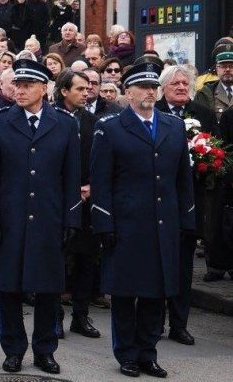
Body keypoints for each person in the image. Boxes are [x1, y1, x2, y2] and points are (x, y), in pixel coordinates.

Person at [90, 62, 195, 378]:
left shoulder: (173, 126)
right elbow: (101, 182)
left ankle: (148, 353)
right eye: (143, 87)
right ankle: (127, 354)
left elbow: (183, 180)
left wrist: (187, 220)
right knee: (125, 293)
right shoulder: (110, 128)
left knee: (156, 292)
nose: (150, 92)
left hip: (164, 224)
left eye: (153, 87)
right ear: (128, 92)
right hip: (127, 224)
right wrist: (104, 224)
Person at [0, 58, 81, 375]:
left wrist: (71, 220)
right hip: (11, 218)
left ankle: (45, 349)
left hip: (50, 218)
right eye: (17, 85)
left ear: (44, 88)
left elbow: (71, 178)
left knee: (48, 288)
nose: (19, 90)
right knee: (9, 287)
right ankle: (13, 349)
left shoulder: (65, 123)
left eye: (27, 85)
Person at [155, 65, 214, 346]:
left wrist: (206, 157)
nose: (181, 87)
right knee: (154, 265)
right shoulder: (152, 110)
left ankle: (179, 324)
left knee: (183, 266)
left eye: (184, 83)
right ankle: (153, 322)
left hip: (189, 202)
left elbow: (218, 152)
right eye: (175, 83)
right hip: (156, 201)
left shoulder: (202, 113)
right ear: (163, 87)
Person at [52, 70, 102, 340]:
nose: (87, 92)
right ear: (64, 91)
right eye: (81, 88)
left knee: (85, 259)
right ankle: (55, 317)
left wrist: (91, 186)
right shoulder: (50, 119)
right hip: (56, 202)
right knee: (58, 260)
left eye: (89, 88)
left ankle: (80, 316)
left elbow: (102, 161)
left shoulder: (95, 122)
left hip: (85, 202)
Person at [194, 47, 233, 122]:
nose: (227, 70)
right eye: (223, 66)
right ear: (216, 69)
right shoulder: (205, 94)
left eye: (231, 66)